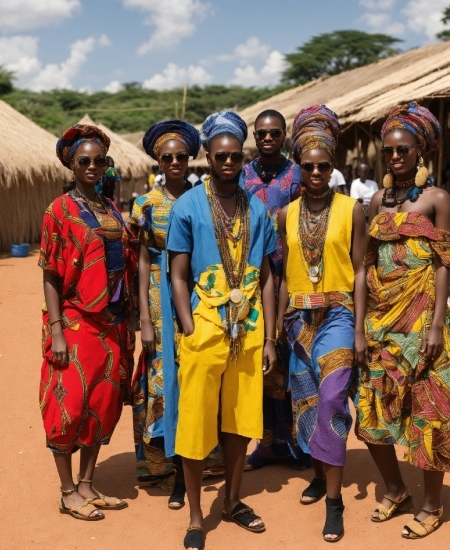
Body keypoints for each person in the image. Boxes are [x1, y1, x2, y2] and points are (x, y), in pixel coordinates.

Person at [353, 102, 450, 539]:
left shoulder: (437, 198)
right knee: (371, 415)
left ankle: (431, 504)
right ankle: (394, 488)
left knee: (430, 412)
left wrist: (439, 323)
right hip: (381, 322)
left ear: (419, 150)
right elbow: (366, 264)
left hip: (423, 319)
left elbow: (445, 263)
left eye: (403, 149)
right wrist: (360, 324)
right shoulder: (375, 200)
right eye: (388, 150)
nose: (395, 157)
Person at [166, 111, 277, 550]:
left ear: (243, 157)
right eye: (220, 155)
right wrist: (189, 327)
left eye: (235, 155)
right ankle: (196, 517)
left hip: (248, 331)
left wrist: (269, 338)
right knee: (194, 424)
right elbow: (177, 275)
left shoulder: (258, 208)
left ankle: (232, 501)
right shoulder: (187, 206)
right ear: (207, 157)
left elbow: (267, 275)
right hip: (205, 330)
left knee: (239, 422)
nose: (228, 162)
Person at [277, 105, 367, 542]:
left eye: (323, 165)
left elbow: (361, 270)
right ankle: (318, 473)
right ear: (299, 165)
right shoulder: (285, 214)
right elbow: (281, 273)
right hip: (297, 320)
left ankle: (335, 503)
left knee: (332, 400)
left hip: (338, 315)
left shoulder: (352, 210)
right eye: (308, 165)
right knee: (305, 403)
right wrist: (278, 325)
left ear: (334, 167)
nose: (315, 172)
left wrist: (361, 327)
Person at [39, 124, 136, 521]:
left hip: (112, 323)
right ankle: (66, 492)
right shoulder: (58, 211)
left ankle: (87, 485)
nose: (93, 166)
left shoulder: (110, 208)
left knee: (103, 402)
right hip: (77, 321)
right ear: (71, 165)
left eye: (100, 160)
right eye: (85, 161)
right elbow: (49, 273)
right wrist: (57, 329)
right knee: (68, 403)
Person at [128, 120, 224, 511]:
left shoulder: (204, 197)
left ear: (191, 158)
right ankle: (170, 469)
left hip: (197, 291)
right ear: (157, 159)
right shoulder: (144, 204)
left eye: (181, 156)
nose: (174, 162)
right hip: (157, 294)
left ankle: (197, 465)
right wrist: (146, 321)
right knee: (163, 380)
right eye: (166, 157)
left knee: (195, 374)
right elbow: (142, 258)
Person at [239, 109, 308, 471]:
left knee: (294, 363)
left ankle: (298, 446)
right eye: (261, 132)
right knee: (260, 365)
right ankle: (266, 445)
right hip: (251, 283)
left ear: (284, 136)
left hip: (292, 281)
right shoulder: (241, 174)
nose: (267, 138)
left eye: (274, 132)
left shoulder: (299, 174)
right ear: (254, 135)